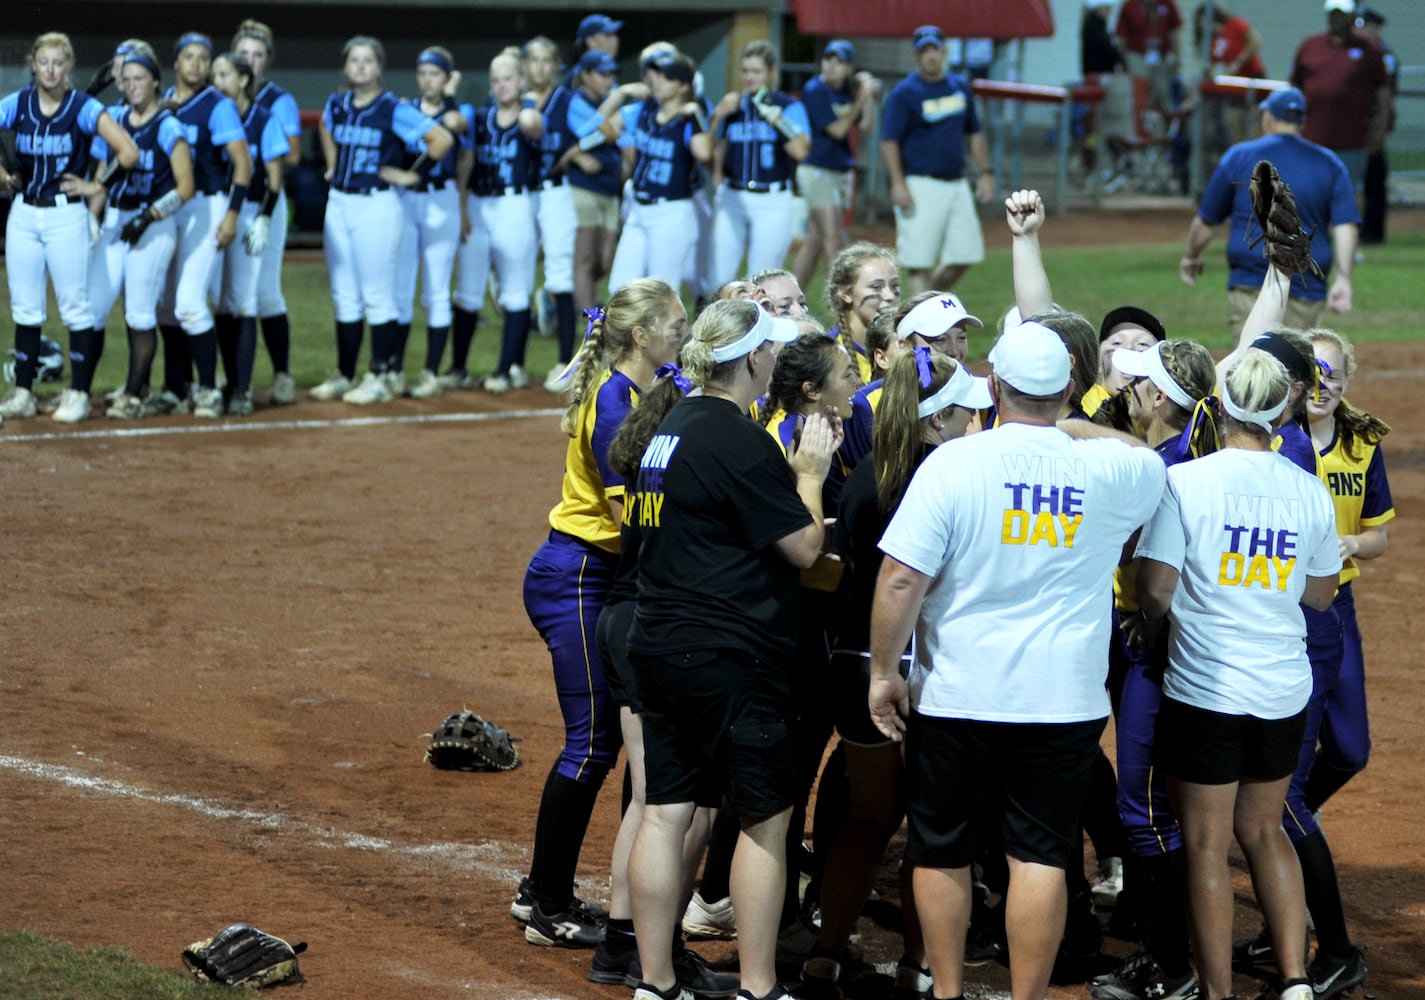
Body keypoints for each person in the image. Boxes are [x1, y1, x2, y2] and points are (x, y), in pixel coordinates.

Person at [868, 320, 1165, 1000]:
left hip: (956, 694)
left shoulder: (952, 463)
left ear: (993, 385)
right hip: (1063, 700)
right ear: (1066, 389)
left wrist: (884, 672)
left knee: (939, 848)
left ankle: (945, 990)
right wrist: (1068, 426)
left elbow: (900, 579)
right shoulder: (1119, 468)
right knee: (1039, 853)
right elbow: (1138, 453)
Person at [625, 299, 831, 1000]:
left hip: (658, 642)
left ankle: (653, 983)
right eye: (769, 350)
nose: (774, 360)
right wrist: (807, 473)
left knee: (664, 809)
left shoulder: (669, 427)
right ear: (751, 359)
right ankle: (757, 985)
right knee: (766, 823)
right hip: (729, 654)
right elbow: (804, 548)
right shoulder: (736, 439)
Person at [1133, 351, 1342, 1000]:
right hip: (1281, 690)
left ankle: (1217, 993)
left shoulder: (1185, 484)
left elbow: (1155, 591)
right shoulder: (1306, 488)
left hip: (1205, 689)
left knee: (1202, 844)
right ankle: (1296, 982)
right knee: (1264, 829)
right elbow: (1321, 594)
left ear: (1217, 406)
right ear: (1281, 411)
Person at [802, 346, 990, 1000]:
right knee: (932, 828)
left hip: (855, 662)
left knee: (866, 816)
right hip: (920, 668)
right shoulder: (951, 477)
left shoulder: (865, 473)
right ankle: (920, 966)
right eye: (969, 406)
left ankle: (826, 951)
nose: (978, 417)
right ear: (942, 415)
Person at [516, 279, 688, 950]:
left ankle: (545, 891)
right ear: (640, 335)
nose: (682, 330)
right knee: (590, 744)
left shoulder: (651, 386)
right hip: (580, 576)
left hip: (599, 573)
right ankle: (545, 901)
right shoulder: (614, 404)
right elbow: (631, 518)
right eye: (674, 323)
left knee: (607, 743)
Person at [586, 366, 738, 999]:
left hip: (624, 622)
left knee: (650, 800)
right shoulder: (692, 466)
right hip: (655, 627)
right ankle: (651, 948)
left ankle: (624, 942)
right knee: (679, 805)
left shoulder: (648, 464)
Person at [1085, 337, 1222, 1000]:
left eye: (1138, 384)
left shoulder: (1160, 467)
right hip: (1209, 656)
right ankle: (1165, 949)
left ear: (1160, 396)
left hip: (1159, 654)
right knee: (1179, 809)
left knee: (1144, 812)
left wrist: (1145, 617)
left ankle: (1169, 966)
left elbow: (1150, 576)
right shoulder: (1204, 454)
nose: (1127, 390)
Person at [0, 32, 139, 424]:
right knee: (25, 307)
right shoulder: (19, 102)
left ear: (69, 67)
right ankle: (23, 392)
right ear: (32, 64)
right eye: (43, 61)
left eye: (58, 63)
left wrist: (98, 185)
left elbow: (128, 151)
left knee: (75, 307)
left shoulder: (82, 106)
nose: (50, 69)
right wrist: (3, 175)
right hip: (24, 212)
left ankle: (78, 393)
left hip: (66, 214)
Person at [312, 36, 451, 404]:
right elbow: (325, 127)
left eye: (368, 61)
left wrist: (411, 175)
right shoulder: (337, 104)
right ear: (345, 66)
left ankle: (379, 374)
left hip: (376, 203)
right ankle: (345, 373)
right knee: (344, 295)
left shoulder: (392, 107)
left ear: (379, 68)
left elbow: (440, 139)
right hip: (339, 201)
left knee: (377, 295)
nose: (360, 67)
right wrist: (331, 165)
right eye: (354, 60)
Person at [1181, 87, 1359, 338]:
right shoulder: (1330, 163)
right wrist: (1343, 279)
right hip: (1305, 286)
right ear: (1302, 122)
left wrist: (1192, 255)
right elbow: (1345, 227)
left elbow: (1206, 222)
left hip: (1251, 281)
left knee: (1251, 366)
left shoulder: (1239, 156)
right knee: (1294, 369)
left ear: (1268, 118)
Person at [78, 43, 194, 420]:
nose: (132, 85)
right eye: (126, 79)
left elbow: (185, 186)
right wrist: (93, 219)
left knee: (140, 313)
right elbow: (101, 178)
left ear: (156, 82)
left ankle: (133, 393)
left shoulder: (167, 124)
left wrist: (150, 216)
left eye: (139, 78)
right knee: (92, 309)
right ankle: (78, 390)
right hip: (116, 219)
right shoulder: (113, 117)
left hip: (153, 225)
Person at [1304, 328, 1393, 813]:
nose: (1321, 387)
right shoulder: (1274, 438)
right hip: (1280, 607)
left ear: (1347, 380)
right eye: (1311, 374)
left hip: (1336, 606)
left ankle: (1294, 811)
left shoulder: (1361, 444)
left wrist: (1352, 543)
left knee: (1350, 750)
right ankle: (1279, 823)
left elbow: (1378, 537)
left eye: (1331, 375)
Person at [142, 32, 252, 420]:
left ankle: (208, 389)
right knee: (166, 307)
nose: (197, 64)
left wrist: (233, 214)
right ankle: (176, 387)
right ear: (176, 62)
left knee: (190, 302)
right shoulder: (163, 104)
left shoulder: (217, 105)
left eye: (203, 58)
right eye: (189, 57)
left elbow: (243, 164)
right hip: (171, 208)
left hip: (207, 206)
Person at [880, 25, 993, 296]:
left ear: (943, 51)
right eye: (924, 51)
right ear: (916, 56)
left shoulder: (959, 86)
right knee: (919, 262)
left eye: (934, 49)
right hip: (921, 182)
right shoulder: (905, 92)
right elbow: (889, 140)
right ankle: (922, 322)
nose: (930, 55)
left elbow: (974, 133)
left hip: (956, 182)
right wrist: (898, 183)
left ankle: (925, 304)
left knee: (966, 254)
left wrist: (986, 172)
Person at [384, 46, 467, 402]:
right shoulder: (407, 110)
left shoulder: (456, 112)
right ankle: (394, 369)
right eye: (423, 73)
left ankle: (431, 371)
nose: (427, 80)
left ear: (446, 79)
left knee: (436, 289)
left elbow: (454, 125)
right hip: (408, 199)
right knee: (400, 289)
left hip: (440, 199)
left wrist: (449, 97)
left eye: (435, 73)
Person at [209, 52, 288, 417]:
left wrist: (265, 219)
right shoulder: (214, 114)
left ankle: (241, 388)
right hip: (217, 210)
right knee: (220, 300)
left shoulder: (263, 118)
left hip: (253, 210)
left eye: (224, 74)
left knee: (244, 300)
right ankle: (229, 379)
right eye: (215, 75)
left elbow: (275, 178)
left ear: (242, 79)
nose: (217, 81)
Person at [231, 19, 302, 405]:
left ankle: (282, 375)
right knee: (225, 295)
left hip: (265, 202)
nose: (251, 61)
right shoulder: (220, 96)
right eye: (243, 54)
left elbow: (291, 154)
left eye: (258, 56)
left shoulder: (277, 101)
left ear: (267, 62)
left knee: (266, 293)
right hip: (226, 206)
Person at [605, 51, 711, 296]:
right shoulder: (644, 110)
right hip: (638, 209)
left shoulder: (688, 120)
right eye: (657, 75)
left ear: (684, 86)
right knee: (618, 290)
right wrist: (620, 94)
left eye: (667, 77)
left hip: (671, 212)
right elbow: (598, 126)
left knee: (663, 294)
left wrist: (695, 115)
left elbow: (704, 153)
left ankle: (677, 335)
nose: (657, 81)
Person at [467, 50, 542, 395]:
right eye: (495, 80)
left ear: (522, 80)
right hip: (480, 203)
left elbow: (532, 127)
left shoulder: (530, 116)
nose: (501, 86)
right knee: (469, 288)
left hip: (515, 203)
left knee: (515, 290)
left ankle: (506, 366)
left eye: (508, 78)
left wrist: (526, 101)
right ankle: (457, 367)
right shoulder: (480, 118)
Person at [708, 41, 810, 289]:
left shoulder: (788, 106)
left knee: (762, 279)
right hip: (734, 195)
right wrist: (719, 114)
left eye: (756, 71)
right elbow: (707, 148)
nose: (749, 77)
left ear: (771, 72)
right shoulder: (733, 106)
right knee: (718, 276)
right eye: (745, 71)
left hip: (772, 199)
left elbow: (800, 151)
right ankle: (716, 326)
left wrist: (779, 122)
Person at [791, 40, 878, 293]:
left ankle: (791, 301)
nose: (831, 66)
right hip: (817, 169)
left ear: (849, 67)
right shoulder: (815, 90)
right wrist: (860, 99)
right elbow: (839, 130)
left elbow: (867, 126)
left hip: (838, 170)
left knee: (815, 241)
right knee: (833, 239)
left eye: (839, 62)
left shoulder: (846, 92)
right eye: (828, 59)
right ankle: (840, 306)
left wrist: (867, 96)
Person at [523, 37, 581, 390]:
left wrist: (575, 153)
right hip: (521, 194)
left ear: (556, 65)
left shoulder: (566, 100)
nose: (540, 67)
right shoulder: (514, 98)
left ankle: (564, 362)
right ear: (524, 65)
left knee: (560, 274)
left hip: (556, 192)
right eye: (533, 60)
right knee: (516, 273)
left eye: (547, 60)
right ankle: (512, 364)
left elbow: (605, 129)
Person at [1290, 0, 1391, 192]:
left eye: (1342, 14)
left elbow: (1382, 92)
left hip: (1351, 140)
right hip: (1312, 139)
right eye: (1333, 13)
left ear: (1352, 15)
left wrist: (1381, 125)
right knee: (1309, 194)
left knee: (1347, 195)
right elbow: (1295, 87)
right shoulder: (1310, 46)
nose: (1337, 19)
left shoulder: (1370, 51)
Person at [561, 50, 622, 331]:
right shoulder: (577, 101)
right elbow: (605, 130)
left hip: (610, 188)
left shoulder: (608, 101)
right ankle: (590, 326)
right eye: (601, 73)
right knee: (585, 259)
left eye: (611, 74)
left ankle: (559, 300)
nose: (608, 79)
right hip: (583, 187)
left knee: (605, 261)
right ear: (585, 75)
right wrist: (577, 156)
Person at [825, 241, 901, 384]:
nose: (890, 296)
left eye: (894, 285)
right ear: (847, 293)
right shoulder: (828, 354)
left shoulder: (913, 341)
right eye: (876, 287)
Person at [1354, 7, 1397, 244]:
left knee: (1373, 176)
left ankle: (1374, 231)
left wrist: (1381, 127)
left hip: (1375, 122)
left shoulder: (1384, 55)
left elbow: (1386, 96)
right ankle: (1360, 228)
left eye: (1365, 26)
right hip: (1356, 122)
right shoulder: (1358, 51)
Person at [1115, 0, 1183, 112]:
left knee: (1162, 92)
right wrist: (1123, 63)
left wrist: (1176, 58)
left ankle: (1162, 123)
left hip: (1161, 56)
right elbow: (1122, 39)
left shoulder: (1167, 4)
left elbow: (1174, 33)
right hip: (1137, 55)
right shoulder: (1129, 6)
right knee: (1141, 90)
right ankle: (1142, 120)